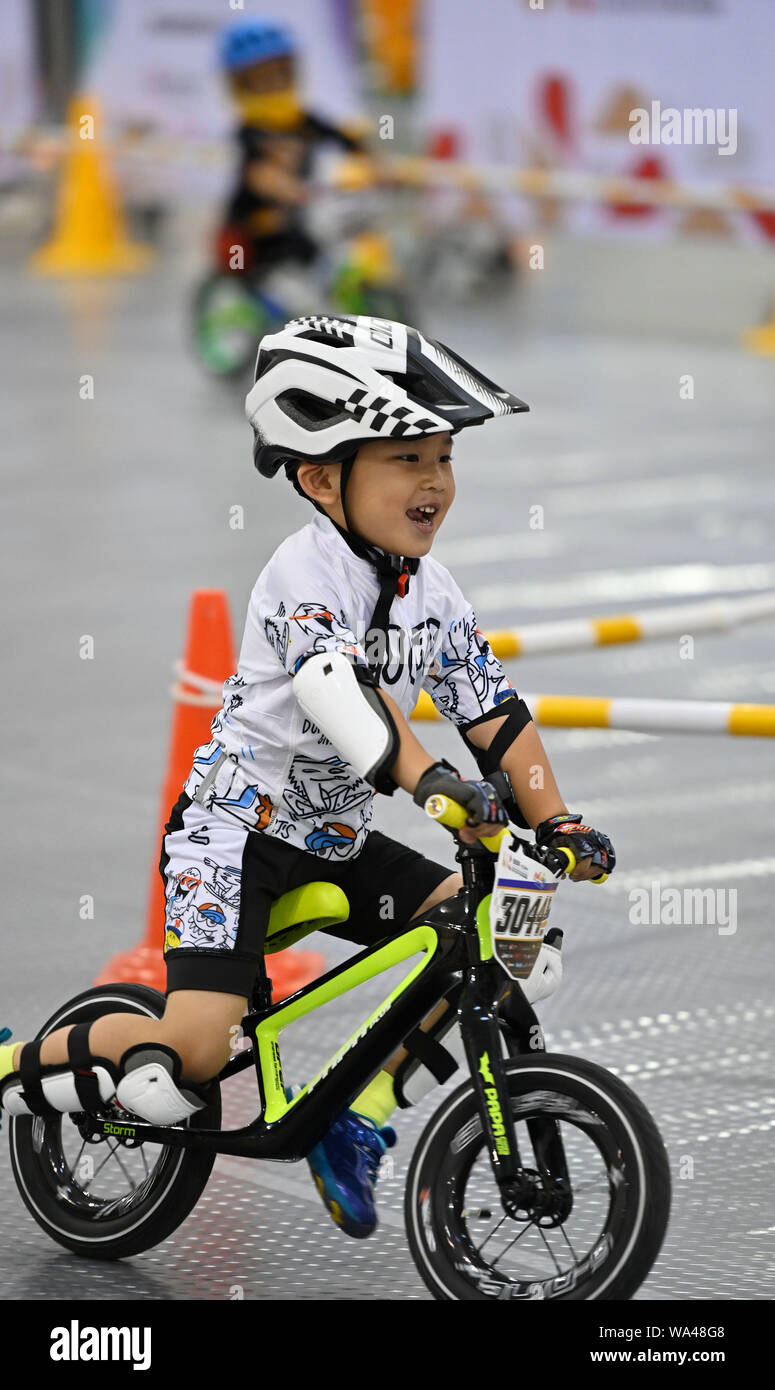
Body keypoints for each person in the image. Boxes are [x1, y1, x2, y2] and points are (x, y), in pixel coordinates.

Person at [0, 314, 615, 1241]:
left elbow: (494, 712)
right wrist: (428, 782)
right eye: (408, 458)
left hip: (330, 840)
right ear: (323, 476)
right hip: (231, 838)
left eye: (443, 457)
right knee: (192, 1059)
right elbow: (339, 693)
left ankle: (358, 1116)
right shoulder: (304, 571)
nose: (436, 483)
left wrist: (557, 819)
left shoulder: (429, 591)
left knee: (493, 940)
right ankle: (12, 1069)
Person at [215, 18, 368, 284]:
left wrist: (376, 165)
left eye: (280, 75)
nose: (274, 85)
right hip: (255, 225)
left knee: (339, 232)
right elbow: (259, 174)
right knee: (297, 237)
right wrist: (293, 192)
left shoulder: (305, 120)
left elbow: (350, 144)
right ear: (241, 85)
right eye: (262, 80)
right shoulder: (250, 131)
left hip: (305, 211)